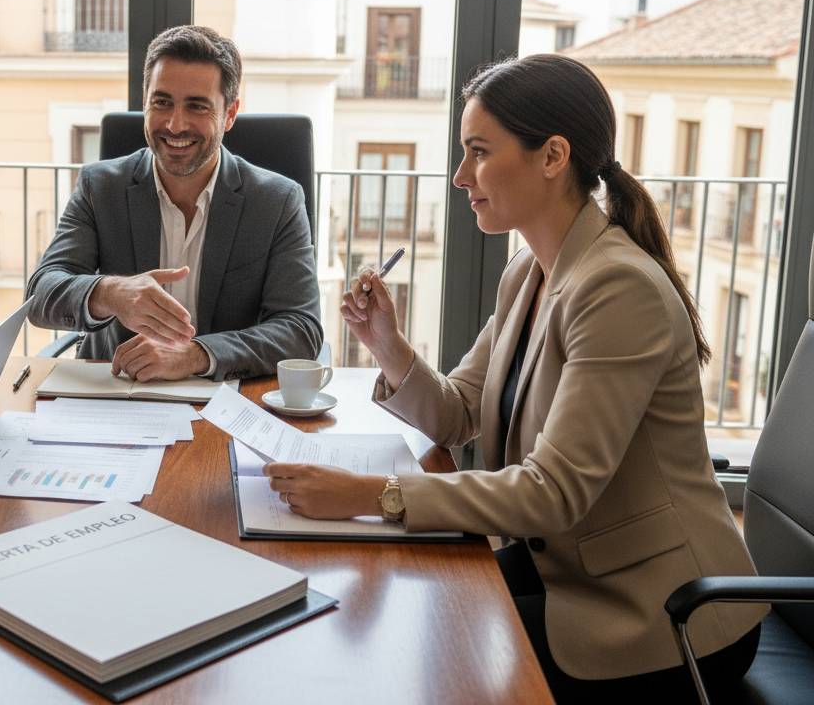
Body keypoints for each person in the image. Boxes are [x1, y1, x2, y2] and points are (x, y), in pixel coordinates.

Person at [264, 53, 765, 702]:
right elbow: (457, 414)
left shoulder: (618, 289)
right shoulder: (529, 272)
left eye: (478, 152)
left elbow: (553, 493)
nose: (459, 176)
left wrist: (371, 495)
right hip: (569, 570)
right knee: (412, 606)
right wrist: (385, 344)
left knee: (424, 658)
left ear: (552, 156)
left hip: (664, 619)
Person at [26, 25, 322, 383]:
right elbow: (41, 294)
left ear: (229, 115)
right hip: (116, 394)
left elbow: (300, 328)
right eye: (161, 102)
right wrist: (109, 293)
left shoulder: (277, 201)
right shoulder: (100, 186)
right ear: (145, 101)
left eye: (196, 106)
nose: (175, 124)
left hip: (224, 399)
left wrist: (197, 355)